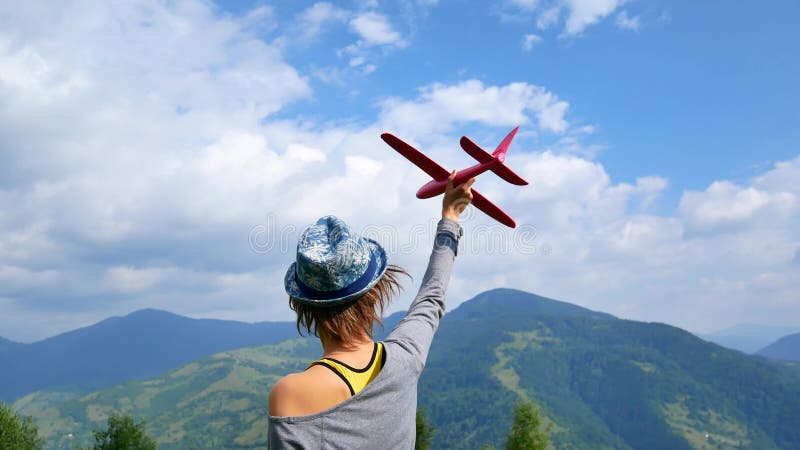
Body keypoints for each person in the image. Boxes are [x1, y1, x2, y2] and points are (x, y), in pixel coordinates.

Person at [268, 171, 474, 449]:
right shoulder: (406, 358)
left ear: (301, 303)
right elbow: (431, 297)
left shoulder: (290, 394)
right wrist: (450, 217)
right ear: (375, 291)